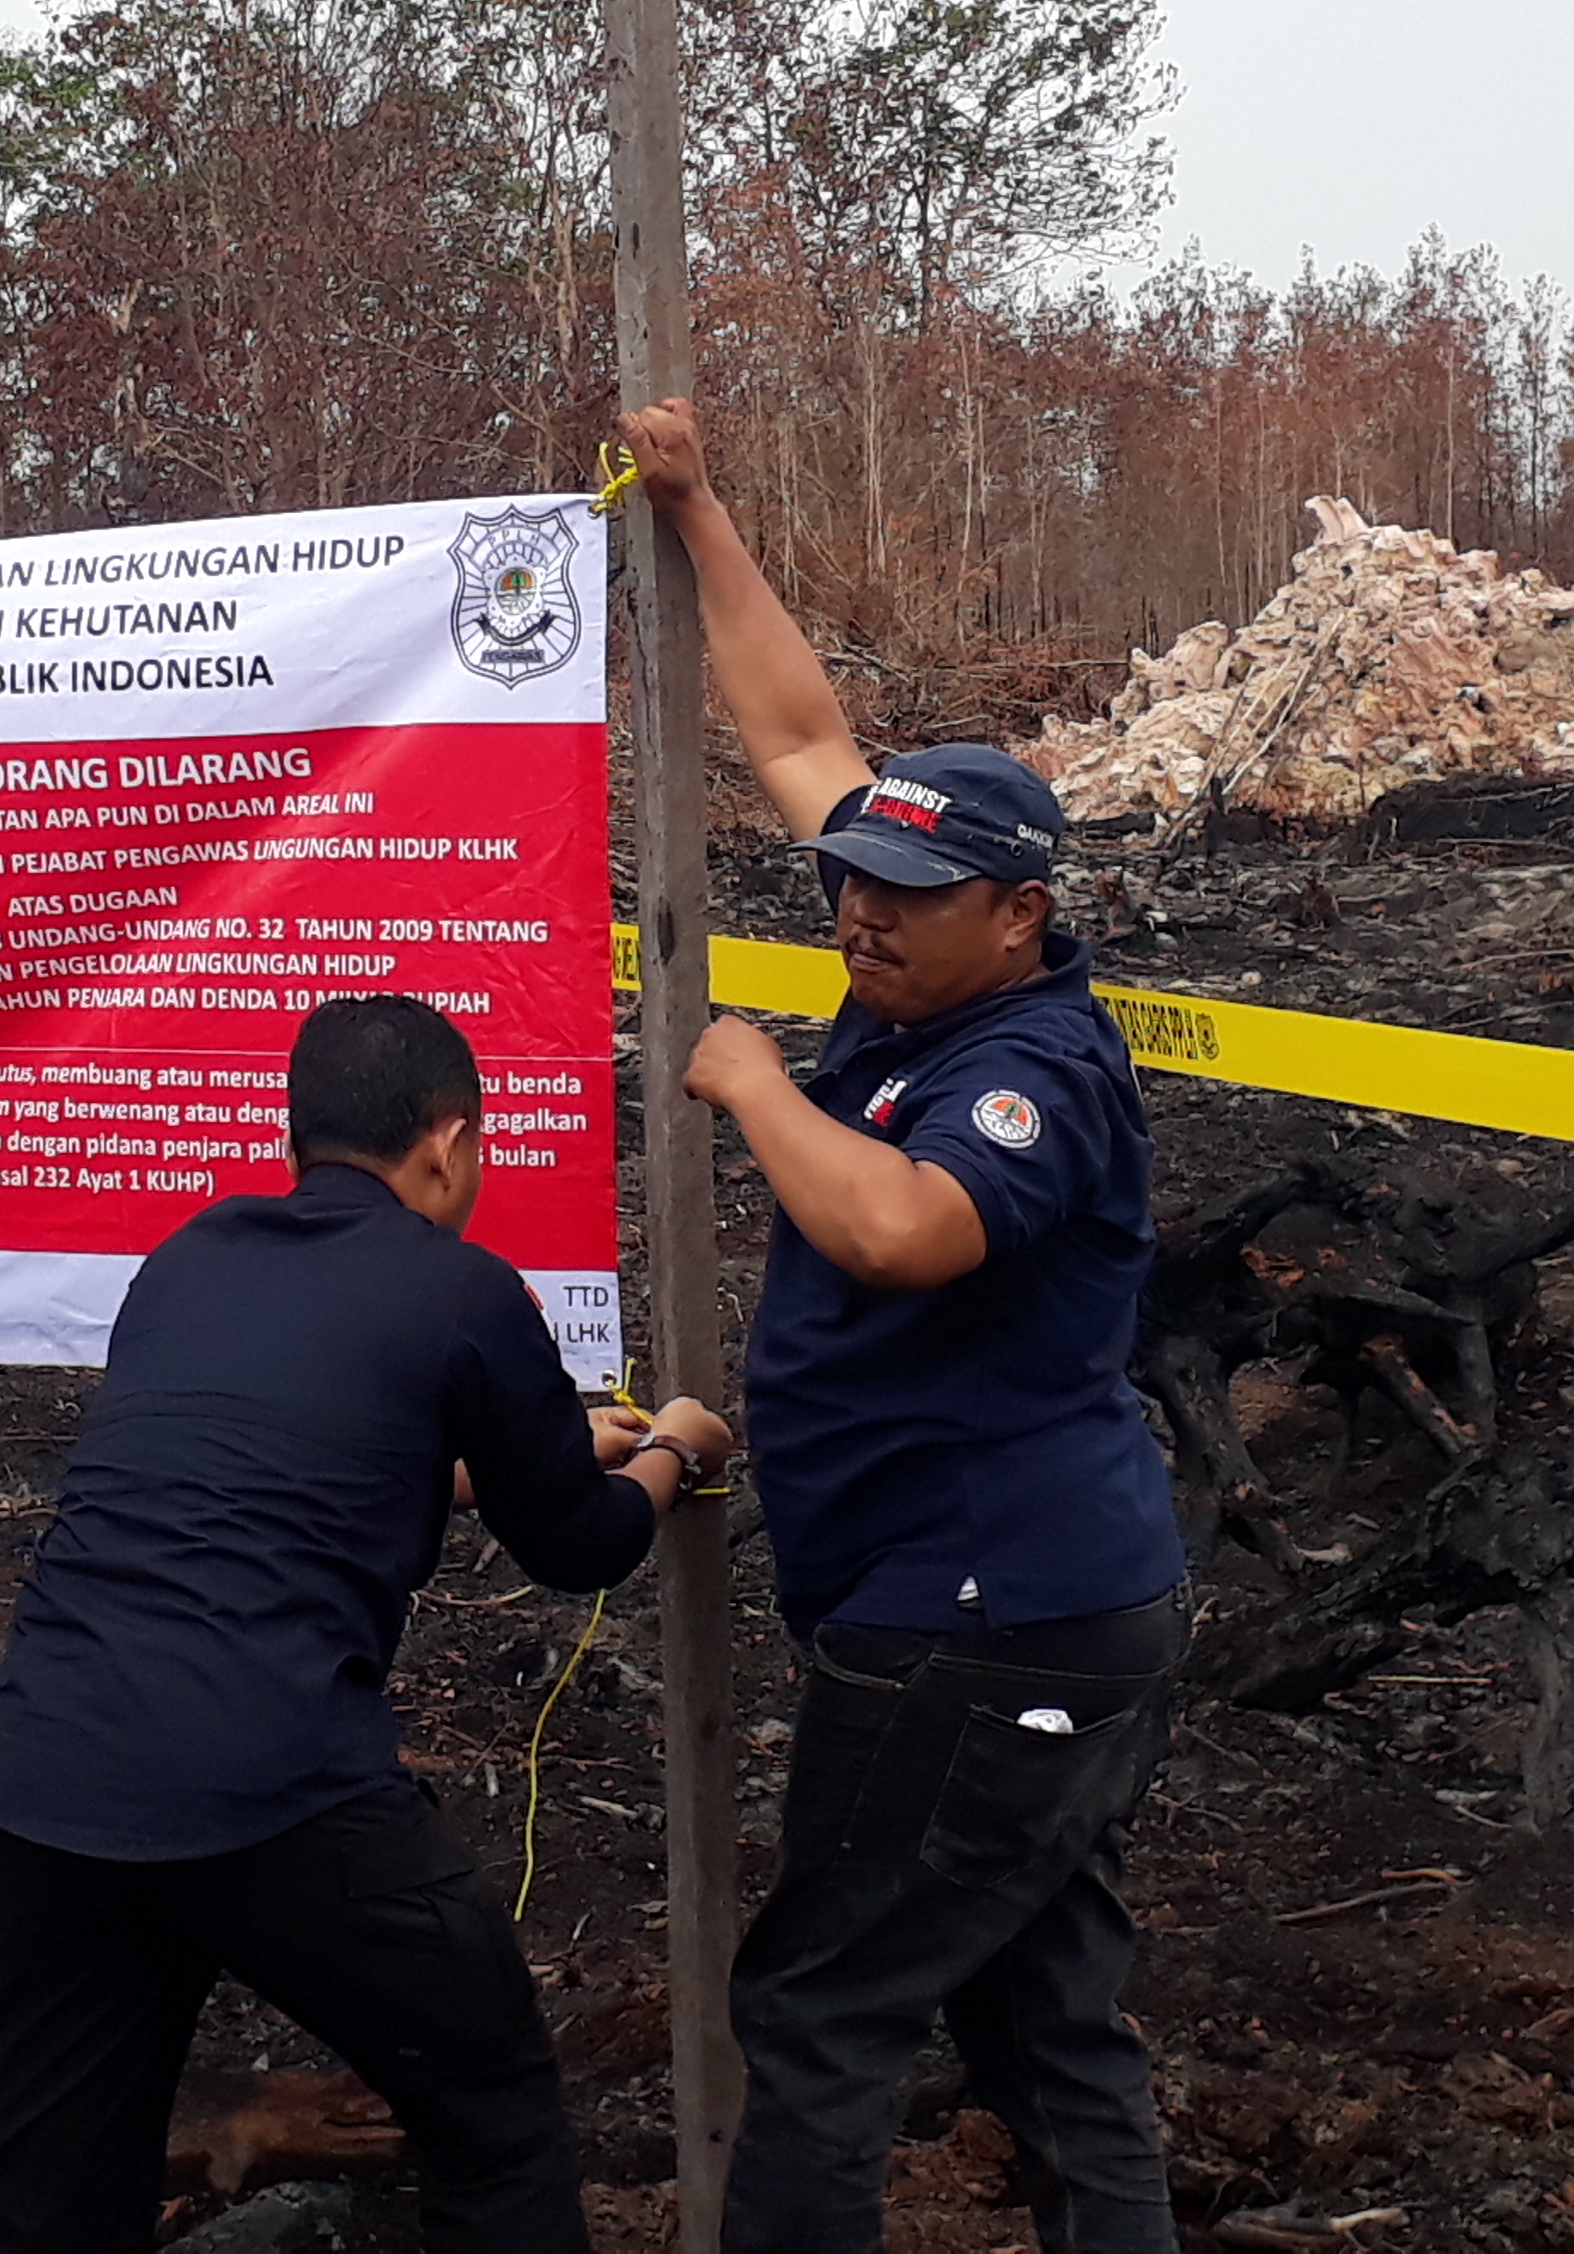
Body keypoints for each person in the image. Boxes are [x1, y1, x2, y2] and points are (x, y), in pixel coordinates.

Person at [614, 397, 1188, 2254]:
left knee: (825, 2008)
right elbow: (797, 736)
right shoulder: (915, 974)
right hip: (1020, 1608)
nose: (861, 912)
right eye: (855, 878)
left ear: (1018, 914)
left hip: (980, 1624)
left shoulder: (1030, 1066)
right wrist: (700, 511)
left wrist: (752, 1085)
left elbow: (905, 1230)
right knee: (1043, 2020)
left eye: (910, 897)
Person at [0, 994, 738, 2254]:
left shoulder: (189, 1259)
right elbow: (578, 1545)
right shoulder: (465, 1290)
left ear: (298, 1135)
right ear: (449, 1144)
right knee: (492, 2113)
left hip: (47, 1775)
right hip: (273, 1786)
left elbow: (279, 1465)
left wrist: (508, 1457)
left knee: (42, 2192)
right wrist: (673, 1454)